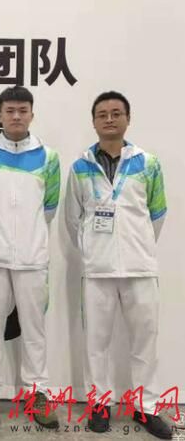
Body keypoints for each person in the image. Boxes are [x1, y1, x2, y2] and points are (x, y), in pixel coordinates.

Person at [65, 91, 171, 439]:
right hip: (97, 270)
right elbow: (72, 219)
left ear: (128, 118)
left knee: (145, 342)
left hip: (140, 269)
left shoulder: (148, 163)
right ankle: (99, 405)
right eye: (102, 114)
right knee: (96, 344)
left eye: (116, 113)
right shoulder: (80, 167)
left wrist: (137, 245)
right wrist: (94, 250)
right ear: (94, 121)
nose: (109, 119)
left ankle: (146, 408)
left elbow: (157, 213)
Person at [0, 85, 60, 428]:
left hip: (33, 258)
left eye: (23, 110)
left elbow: (49, 207)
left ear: (32, 114)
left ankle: (37, 393)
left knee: (34, 330)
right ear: (0, 115)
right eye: (10, 110)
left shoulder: (48, 157)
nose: (16, 116)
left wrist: (28, 237)